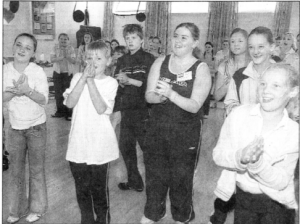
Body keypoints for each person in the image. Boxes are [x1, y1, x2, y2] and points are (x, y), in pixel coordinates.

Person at [141, 22, 211, 224]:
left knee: (181, 178)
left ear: (194, 42)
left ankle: (182, 216)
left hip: (186, 131)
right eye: (176, 36)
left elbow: (195, 105)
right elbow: (148, 96)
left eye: (184, 37)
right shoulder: (160, 62)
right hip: (157, 128)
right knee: (155, 174)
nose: (178, 41)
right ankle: (153, 212)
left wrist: (170, 94)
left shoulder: (201, 68)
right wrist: (160, 97)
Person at [213, 63, 299, 224]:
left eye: (276, 85)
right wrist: (240, 157)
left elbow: (281, 182)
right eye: (263, 83)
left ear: (293, 91)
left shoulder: (294, 132)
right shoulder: (239, 115)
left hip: (277, 205)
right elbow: (218, 155)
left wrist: (257, 165)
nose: (266, 90)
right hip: (243, 200)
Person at [63, 41, 119, 224]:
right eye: (89, 57)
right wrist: (83, 78)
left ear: (108, 61)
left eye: (98, 58)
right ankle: (86, 220)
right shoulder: (77, 77)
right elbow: (70, 103)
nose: (93, 61)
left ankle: (103, 220)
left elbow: (101, 107)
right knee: (82, 188)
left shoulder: (111, 82)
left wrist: (90, 80)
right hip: (79, 143)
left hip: (100, 145)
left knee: (99, 188)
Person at [3, 33, 49, 223]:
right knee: (15, 171)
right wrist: (12, 93)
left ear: (33, 53)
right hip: (14, 128)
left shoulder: (37, 71)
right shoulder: (4, 70)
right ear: (13, 47)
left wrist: (27, 91)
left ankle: (37, 208)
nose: (22, 50)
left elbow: (44, 100)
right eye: (19, 45)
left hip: (36, 127)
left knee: (36, 171)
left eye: (28, 48)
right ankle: (16, 210)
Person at [114, 24, 155, 192]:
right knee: (126, 147)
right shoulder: (122, 60)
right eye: (127, 38)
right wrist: (116, 110)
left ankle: (155, 185)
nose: (130, 41)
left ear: (142, 40)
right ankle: (135, 181)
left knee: (148, 149)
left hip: (144, 110)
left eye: (134, 38)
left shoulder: (148, 58)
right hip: (127, 110)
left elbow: (148, 84)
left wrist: (129, 80)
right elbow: (118, 87)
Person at [224, 26, 276, 115]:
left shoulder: (282, 75)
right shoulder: (239, 76)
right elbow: (230, 104)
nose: (255, 52)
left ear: (272, 47)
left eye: (261, 47)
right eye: (251, 47)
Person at [214, 28, 251, 104]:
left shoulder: (253, 64)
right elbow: (217, 96)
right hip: (231, 110)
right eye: (232, 41)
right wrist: (231, 78)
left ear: (247, 43)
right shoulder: (224, 66)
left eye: (240, 41)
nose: (236, 44)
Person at [50, 33, 76, 121]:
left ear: (68, 40)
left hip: (67, 74)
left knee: (67, 93)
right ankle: (59, 112)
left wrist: (67, 56)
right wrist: (61, 57)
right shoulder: (55, 47)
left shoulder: (71, 48)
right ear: (58, 39)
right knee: (58, 94)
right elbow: (52, 59)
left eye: (65, 39)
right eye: (61, 39)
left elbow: (73, 61)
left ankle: (69, 113)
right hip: (57, 73)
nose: (63, 41)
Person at [109, 45, 127, 130]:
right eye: (115, 54)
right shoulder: (114, 66)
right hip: (115, 95)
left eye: (118, 54)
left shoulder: (125, 67)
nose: (115, 56)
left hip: (122, 96)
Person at [202, 41, 216, 117]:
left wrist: (208, 69)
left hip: (210, 77)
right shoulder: (202, 56)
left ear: (212, 48)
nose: (207, 49)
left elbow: (216, 69)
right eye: (206, 47)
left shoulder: (214, 58)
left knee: (207, 94)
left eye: (209, 47)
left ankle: (206, 113)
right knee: (201, 93)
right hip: (202, 77)